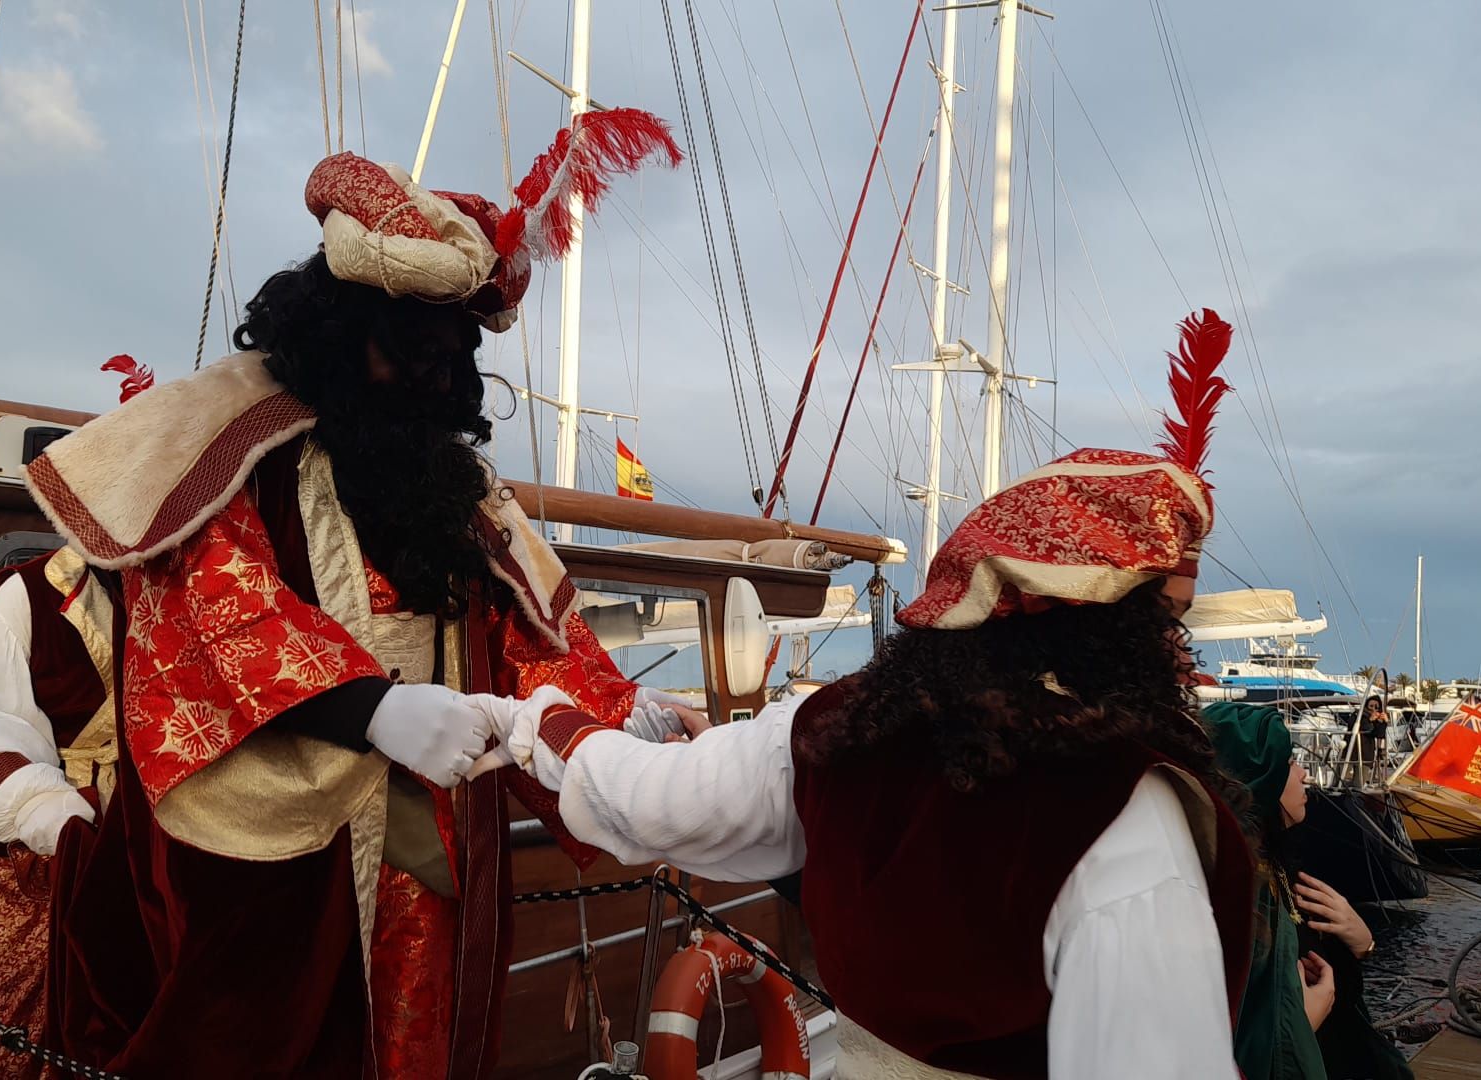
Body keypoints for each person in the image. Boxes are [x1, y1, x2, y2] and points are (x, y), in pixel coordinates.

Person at [20, 110, 687, 1077]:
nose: (431, 379)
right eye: (407, 350)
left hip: (438, 821)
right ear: (339, 335)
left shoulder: (452, 482)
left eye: (449, 356)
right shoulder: (239, 445)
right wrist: (374, 707)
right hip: (291, 840)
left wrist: (627, 714)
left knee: (425, 1031)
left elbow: (531, 616)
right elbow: (218, 611)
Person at [483, 311, 1257, 1077]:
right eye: (1163, 619)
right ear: (1105, 628)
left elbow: (641, 795)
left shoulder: (830, 730)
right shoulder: (1124, 814)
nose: (1172, 647)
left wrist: (527, 719)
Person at [0, 546, 119, 1080]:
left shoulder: (204, 591)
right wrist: (50, 813)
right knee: (19, 1051)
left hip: (138, 860)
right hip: (12, 872)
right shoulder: (28, 594)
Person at [1205, 701, 1412, 1080]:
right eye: (1288, 763)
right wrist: (1299, 1028)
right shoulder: (1242, 895)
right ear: (1255, 778)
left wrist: (1362, 943)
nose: (1305, 774)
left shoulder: (1279, 869)